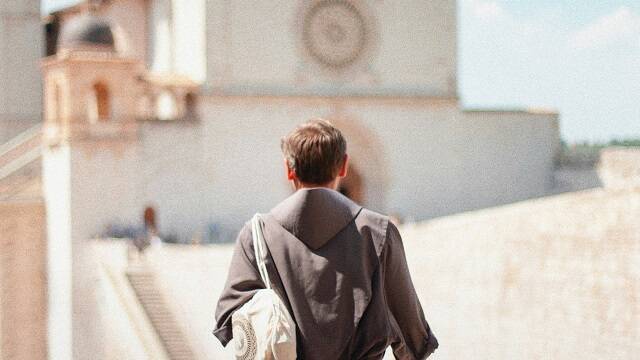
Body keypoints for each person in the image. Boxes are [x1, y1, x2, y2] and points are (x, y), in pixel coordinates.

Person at [213, 119, 438, 359]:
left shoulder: (256, 234)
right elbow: (414, 337)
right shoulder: (379, 232)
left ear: (289, 170)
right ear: (343, 167)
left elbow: (228, 317)